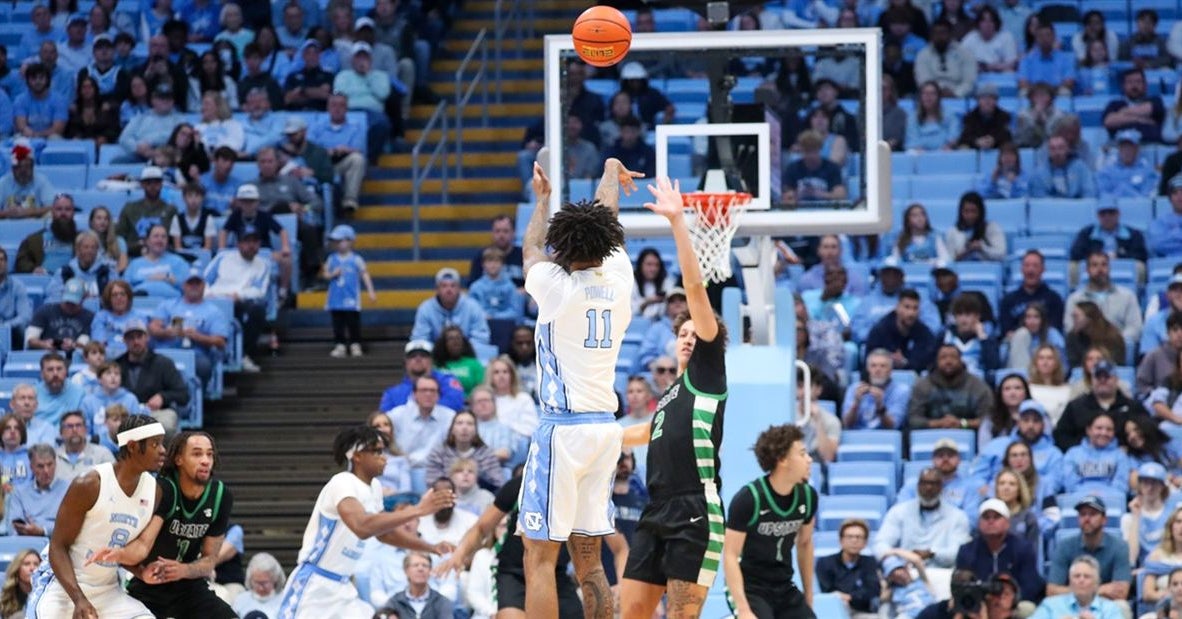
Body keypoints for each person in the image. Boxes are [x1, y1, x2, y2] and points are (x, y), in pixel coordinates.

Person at [513, 156, 639, 619]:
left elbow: (529, 250)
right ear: (607, 244)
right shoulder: (620, 278)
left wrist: (542, 200)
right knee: (589, 558)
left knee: (539, 557)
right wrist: (610, 171)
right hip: (605, 430)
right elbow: (607, 216)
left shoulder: (554, 285)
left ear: (562, 247)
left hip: (563, 431)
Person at [619, 172, 734, 619]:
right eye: (681, 333)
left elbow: (695, 289)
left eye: (695, 332)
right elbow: (646, 432)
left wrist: (677, 224)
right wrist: (597, 437)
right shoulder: (670, 396)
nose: (687, 337)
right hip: (656, 508)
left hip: (695, 509)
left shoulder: (708, 371)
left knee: (681, 615)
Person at [276, 426, 453, 617]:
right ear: (357, 456)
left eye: (383, 451)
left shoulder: (375, 488)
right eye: (376, 451)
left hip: (343, 587)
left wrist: (430, 547)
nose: (383, 457)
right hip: (315, 585)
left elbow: (386, 533)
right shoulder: (342, 482)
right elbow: (362, 527)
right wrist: (417, 510)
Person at [25, 415, 165, 619]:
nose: (163, 450)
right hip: (61, 587)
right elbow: (58, 547)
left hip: (107, 590)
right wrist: (79, 599)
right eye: (155, 444)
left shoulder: (154, 492)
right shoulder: (90, 484)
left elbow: (119, 549)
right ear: (134, 447)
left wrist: (141, 572)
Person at [84, 432, 234, 618]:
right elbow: (142, 545)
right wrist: (121, 556)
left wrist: (183, 570)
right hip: (149, 587)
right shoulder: (164, 490)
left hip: (190, 588)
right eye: (197, 454)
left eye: (209, 454)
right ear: (179, 459)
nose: (205, 460)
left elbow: (210, 559)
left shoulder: (220, 496)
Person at [434, 470, 586, 619]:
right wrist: (459, 555)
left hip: (555, 574)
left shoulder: (581, 494)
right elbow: (481, 528)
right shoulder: (520, 485)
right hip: (514, 573)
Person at [723, 424, 818, 618]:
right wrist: (743, 609)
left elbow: (805, 544)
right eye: (802, 454)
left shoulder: (807, 496)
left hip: (783, 586)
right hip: (750, 587)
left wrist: (809, 598)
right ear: (782, 460)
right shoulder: (748, 499)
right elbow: (730, 555)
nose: (809, 459)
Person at [204, 225, 272, 372]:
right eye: (247, 241)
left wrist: (239, 296)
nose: (251, 245)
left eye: (255, 242)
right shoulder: (222, 257)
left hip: (240, 301)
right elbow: (204, 280)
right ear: (238, 243)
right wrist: (209, 295)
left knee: (257, 310)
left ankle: (244, 354)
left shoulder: (263, 264)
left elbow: (259, 291)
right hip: (215, 298)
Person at [874, 468, 972, 569]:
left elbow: (959, 552)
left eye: (933, 483)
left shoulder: (958, 516)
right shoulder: (898, 512)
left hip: (942, 573)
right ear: (917, 486)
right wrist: (894, 566)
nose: (928, 488)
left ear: (941, 487)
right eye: (924, 483)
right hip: (905, 571)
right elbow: (881, 544)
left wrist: (932, 553)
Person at [148, 269, 229, 389]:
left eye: (198, 283)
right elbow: (153, 328)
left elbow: (220, 341)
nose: (194, 286)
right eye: (191, 283)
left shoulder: (214, 311)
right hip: (166, 352)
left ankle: (197, 400)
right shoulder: (168, 305)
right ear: (183, 285)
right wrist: (167, 332)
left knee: (204, 366)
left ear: (204, 286)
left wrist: (197, 336)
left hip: (195, 354)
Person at [955, 499, 1043, 604]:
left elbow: (1030, 587)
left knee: (1027, 608)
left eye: (996, 517)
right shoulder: (967, 551)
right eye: (986, 517)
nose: (991, 521)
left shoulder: (1023, 549)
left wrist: (1008, 601)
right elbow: (961, 586)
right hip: (979, 604)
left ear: (1007, 523)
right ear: (979, 523)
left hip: (1014, 603)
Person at [112, 320, 185, 435]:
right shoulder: (116, 365)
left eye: (139, 336)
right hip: (124, 413)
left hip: (155, 413)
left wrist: (163, 397)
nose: (136, 341)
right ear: (124, 341)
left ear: (147, 338)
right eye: (131, 338)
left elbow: (183, 394)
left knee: (166, 425)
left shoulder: (163, 363)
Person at [908, 345, 994, 431]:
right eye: (943, 357)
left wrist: (961, 423)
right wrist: (939, 423)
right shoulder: (922, 386)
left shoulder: (977, 386)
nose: (948, 361)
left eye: (953, 357)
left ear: (961, 360)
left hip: (967, 436)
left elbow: (988, 419)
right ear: (936, 361)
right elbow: (913, 419)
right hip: (929, 438)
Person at [1065, 251, 1143, 344]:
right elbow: (1069, 328)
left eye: (1104, 264)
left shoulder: (1127, 296)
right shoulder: (1075, 299)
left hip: (1118, 347)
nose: (1100, 269)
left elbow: (1135, 328)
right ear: (1087, 270)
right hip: (1086, 348)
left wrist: (1115, 339)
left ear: (1109, 268)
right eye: (1094, 265)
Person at [324, 224, 375, 358]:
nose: (339, 244)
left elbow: (365, 274)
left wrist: (370, 291)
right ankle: (339, 344)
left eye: (341, 241)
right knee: (338, 322)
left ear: (350, 241)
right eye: (336, 241)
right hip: (336, 298)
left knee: (353, 322)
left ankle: (355, 343)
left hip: (351, 298)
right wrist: (332, 274)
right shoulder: (332, 259)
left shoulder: (356, 259)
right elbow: (325, 274)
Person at [423, 410, 504, 490]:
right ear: (452, 429)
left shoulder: (486, 454)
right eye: (459, 423)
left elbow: (498, 483)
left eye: (470, 424)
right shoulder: (439, 452)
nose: (464, 428)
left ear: (476, 430)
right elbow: (431, 483)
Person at [816, 519, 881, 618]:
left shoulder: (870, 562)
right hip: (833, 610)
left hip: (861, 612)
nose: (854, 540)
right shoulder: (825, 562)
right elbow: (827, 590)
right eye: (849, 537)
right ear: (841, 540)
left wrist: (849, 596)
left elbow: (873, 590)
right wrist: (853, 595)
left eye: (858, 537)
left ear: (865, 542)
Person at [409, 267, 490, 346]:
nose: (449, 290)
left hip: (467, 356)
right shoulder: (425, 309)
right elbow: (419, 340)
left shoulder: (473, 307)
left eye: (453, 286)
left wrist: (463, 352)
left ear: (459, 288)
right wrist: (439, 353)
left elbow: (481, 338)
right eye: (444, 286)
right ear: (437, 289)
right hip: (436, 356)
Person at [866, 290, 940, 371]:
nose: (911, 313)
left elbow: (927, 361)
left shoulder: (924, 333)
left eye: (915, 308)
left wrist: (905, 363)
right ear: (897, 307)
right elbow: (869, 361)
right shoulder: (880, 331)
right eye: (907, 307)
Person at [6, 443, 69, 537]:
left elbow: (70, 526)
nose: (46, 471)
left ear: (55, 464)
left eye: (49, 464)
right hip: (26, 542)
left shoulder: (68, 489)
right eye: (40, 466)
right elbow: (13, 527)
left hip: (58, 541)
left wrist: (43, 531)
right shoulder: (20, 492)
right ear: (31, 467)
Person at [115, 166, 179, 258]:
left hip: (163, 256)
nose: (152, 186)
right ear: (142, 184)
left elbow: (174, 239)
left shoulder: (171, 209)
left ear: (161, 184)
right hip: (133, 256)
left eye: (156, 183)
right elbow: (120, 237)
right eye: (148, 183)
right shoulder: (129, 208)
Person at [841, 348, 911, 429]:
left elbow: (893, 426)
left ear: (891, 370)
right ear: (868, 369)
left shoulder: (901, 391)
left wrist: (880, 407)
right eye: (873, 366)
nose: (878, 370)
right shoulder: (854, 389)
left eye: (883, 366)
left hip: (886, 440)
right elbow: (847, 424)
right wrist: (856, 403)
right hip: (857, 438)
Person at [1034, 555, 1122, 618]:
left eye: (1087, 576)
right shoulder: (1051, 605)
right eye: (1076, 576)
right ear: (1070, 581)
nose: (1081, 580)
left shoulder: (1110, 608)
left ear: (1097, 583)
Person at [1069, 200, 1149, 267]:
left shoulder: (1134, 234)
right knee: (1073, 266)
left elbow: (1141, 255)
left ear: (1118, 214)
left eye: (1111, 213)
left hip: (1122, 266)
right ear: (1098, 216)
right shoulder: (1086, 233)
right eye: (1103, 213)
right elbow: (1076, 254)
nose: (1107, 217)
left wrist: (1119, 256)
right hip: (1093, 267)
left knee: (1139, 266)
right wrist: (1098, 258)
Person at [1121, 462, 1171, 568]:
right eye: (1146, 482)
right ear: (1139, 485)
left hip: (1167, 568)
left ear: (1162, 486)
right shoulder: (1128, 518)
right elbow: (1131, 558)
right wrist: (1136, 517)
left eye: (1154, 483)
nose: (1150, 487)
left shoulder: (1172, 515)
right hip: (1140, 570)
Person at [25, 280, 92, 356]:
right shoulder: (44, 311)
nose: (69, 306)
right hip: (45, 355)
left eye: (73, 303)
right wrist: (44, 344)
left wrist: (74, 345)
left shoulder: (89, 317)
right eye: (67, 302)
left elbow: (84, 342)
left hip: (73, 357)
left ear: (83, 299)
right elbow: (31, 339)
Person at [15, 193, 76, 274]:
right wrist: (33, 269)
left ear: (73, 212)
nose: (63, 213)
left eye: (67, 209)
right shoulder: (34, 239)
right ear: (52, 212)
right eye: (59, 209)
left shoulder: (83, 239)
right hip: (43, 281)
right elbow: (21, 261)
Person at [1102, 68, 1166, 143]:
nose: (1134, 86)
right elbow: (1109, 121)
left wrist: (1121, 114)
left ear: (1145, 85)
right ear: (1123, 86)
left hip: (1152, 146)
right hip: (1122, 148)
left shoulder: (1155, 100)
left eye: (1138, 82)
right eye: (1130, 82)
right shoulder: (1115, 104)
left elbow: (1149, 109)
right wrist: (1140, 120)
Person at [53, 411, 115, 482]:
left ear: (86, 430)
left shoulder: (102, 454)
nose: (74, 430)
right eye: (69, 426)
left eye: (78, 425)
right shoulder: (53, 458)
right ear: (61, 432)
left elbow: (114, 482)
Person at [946, 192, 1006, 262]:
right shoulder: (953, 231)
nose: (970, 216)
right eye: (966, 211)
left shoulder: (992, 227)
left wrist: (982, 248)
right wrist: (967, 251)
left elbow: (1001, 254)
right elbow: (949, 259)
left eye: (974, 211)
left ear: (981, 212)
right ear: (961, 212)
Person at [0, 142, 54, 218]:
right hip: (8, 224)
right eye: (18, 168)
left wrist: (30, 211)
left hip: (35, 223)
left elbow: (52, 207)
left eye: (26, 167)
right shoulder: (3, 182)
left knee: (50, 215)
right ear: (12, 169)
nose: (23, 171)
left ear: (32, 167)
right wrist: (6, 213)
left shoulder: (41, 181)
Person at [1006, 303, 1066, 370]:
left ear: (1042, 319)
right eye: (1028, 317)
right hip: (1024, 375)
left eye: (1036, 317)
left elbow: (1063, 364)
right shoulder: (1021, 336)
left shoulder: (1053, 334)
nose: (1032, 321)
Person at [231, 552, 285, 619]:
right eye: (256, 582)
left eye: (264, 583)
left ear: (275, 579)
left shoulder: (286, 600)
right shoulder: (240, 600)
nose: (260, 588)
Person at [0, 548, 40, 618]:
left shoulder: (46, 596)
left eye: (36, 564)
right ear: (17, 568)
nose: (32, 568)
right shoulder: (5, 598)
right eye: (27, 564)